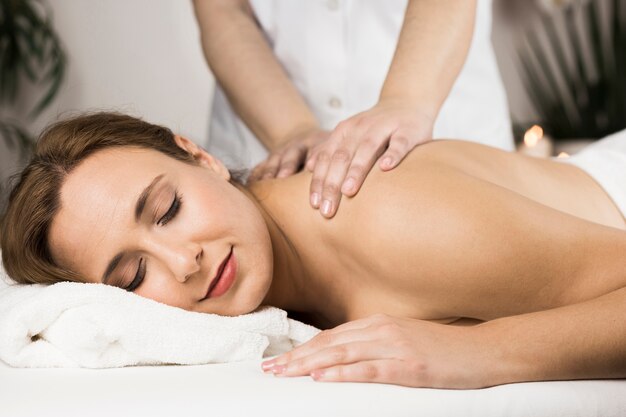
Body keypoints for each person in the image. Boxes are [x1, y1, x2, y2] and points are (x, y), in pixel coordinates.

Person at [1, 112, 625, 389]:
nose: (182, 261)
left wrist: (478, 352)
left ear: (202, 157)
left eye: (168, 210)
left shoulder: (388, 218)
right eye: (134, 275)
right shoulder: (270, 298)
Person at [193, 0, 514, 219]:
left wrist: (406, 100)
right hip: (265, 130)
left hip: (439, 109)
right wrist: (292, 131)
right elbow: (223, 11)